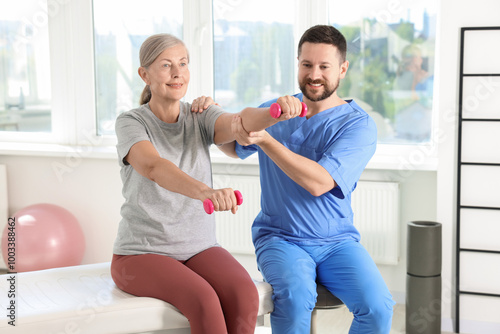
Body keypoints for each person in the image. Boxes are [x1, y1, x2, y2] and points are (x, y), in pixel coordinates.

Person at [110, 33, 304, 334]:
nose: (178, 73)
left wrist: (273, 113)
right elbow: (153, 166)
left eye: (183, 64)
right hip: (140, 253)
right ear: (144, 75)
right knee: (203, 299)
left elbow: (239, 122)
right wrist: (207, 192)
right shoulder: (131, 122)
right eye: (166, 65)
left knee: (244, 294)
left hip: (198, 247)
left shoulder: (199, 114)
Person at [220, 25, 395, 333]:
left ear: (342, 69)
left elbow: (319, 183)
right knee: (297, 296)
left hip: (337, 242)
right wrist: (211, 116)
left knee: (378, 308)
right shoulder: (274, 111)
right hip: (280, 237)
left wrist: (267, 140)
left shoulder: (358, 126)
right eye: (307, 65)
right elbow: (232, 147)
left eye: (325, 66)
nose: (315, 74)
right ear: (297, 64)